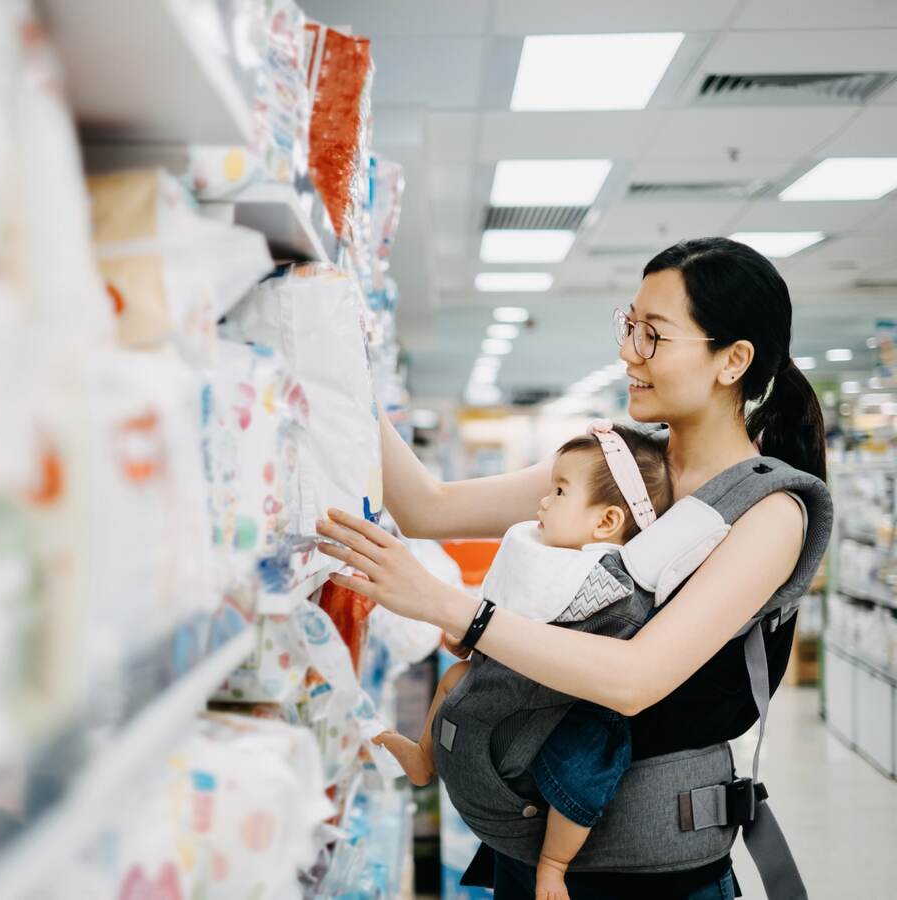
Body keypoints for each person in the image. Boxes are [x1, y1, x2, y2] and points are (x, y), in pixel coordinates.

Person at [315, 237, 829, 899]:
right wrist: (335, 358)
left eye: (654, 336)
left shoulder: (769, 511)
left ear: (732, 360)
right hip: (523, 850)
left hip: (653, 874)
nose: (627, 353)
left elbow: (634, 679)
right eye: (629, 326)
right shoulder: (617, 463)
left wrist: (456, 608)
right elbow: (427, 508)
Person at [372, 422, 673, 900]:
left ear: (606, 522)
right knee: (455, 677)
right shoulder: (548, 555)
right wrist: (474, 639)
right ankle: (423, 758)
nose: (544, 501)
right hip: (507, 681)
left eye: (560, 491)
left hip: (563, 711)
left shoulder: (605, 583)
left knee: (583, 763)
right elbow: (509, 619)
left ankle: (554, 863)